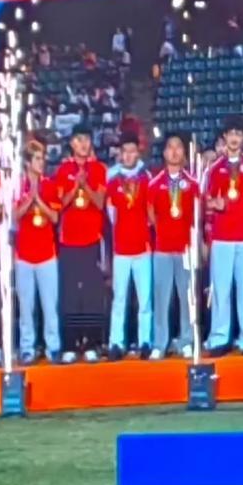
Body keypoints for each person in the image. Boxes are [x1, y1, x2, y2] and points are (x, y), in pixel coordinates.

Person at [205, 115, 243, 355]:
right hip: (221, 238)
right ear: (224, 137)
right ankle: (220, 337)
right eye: (231, 134)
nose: (235, 138)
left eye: (239, 134)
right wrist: (214, 204)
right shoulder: (214, 169)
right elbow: (207, 200)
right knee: (221, 290)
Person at [54, 124, 108, 362]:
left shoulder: (99, 169)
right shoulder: (63, 170)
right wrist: (76, 185)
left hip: (92, 240)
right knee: (69, 295)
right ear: (71, 144)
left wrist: (86, 185)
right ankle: (70, 344)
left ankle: (91, 343)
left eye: (86, 139)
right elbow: (59, 204)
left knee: (91, 294)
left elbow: (100, 202)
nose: (83, 144)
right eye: (78, 140)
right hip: (68, 242)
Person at [148, 132, 199, 358]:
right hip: (162, 249)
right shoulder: (155, 183)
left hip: (186, 249)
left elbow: (197, 217)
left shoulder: (193, 184)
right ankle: (160, 343)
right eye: (170, 147)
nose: (175, 151)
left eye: (179, 146)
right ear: (164, 152)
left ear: (184, 152)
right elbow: (151, 214)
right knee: (161, 298)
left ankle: (186, 340)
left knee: (187, 298)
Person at [14, 141, 61, 366]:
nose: (42, 163)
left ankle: (53, 347)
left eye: (43, 158)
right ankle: (27, 348)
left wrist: (38, 200)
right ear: (27, 162)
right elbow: (14, 215)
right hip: (24, 256)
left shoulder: (49, 185)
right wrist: (28, 200)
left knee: (50, 305)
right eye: (37, 159)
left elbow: (55, 217)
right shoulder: (17, 186)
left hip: (47, 255)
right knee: (26, 307)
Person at [106, 134, 153, 360]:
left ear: (138, 153)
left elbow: (151, 214)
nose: (128, 156)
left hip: (142, 248)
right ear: (120, 154)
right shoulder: (113, 182)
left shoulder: (146, 179)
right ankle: (116, 342)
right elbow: (111, 216)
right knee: (119, 299)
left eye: (132, 151)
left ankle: (145, 341)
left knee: (145, 299)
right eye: (124, 152)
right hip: (121, 250)